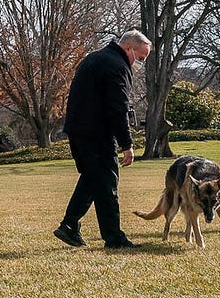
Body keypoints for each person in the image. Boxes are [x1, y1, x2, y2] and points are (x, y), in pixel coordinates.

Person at [54, 30, 151, 249]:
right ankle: (114, 237)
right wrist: (127, 144)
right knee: (107, 181)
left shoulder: (96, 57)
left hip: (79, 130)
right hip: (96, 133)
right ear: (129, 48)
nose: (141, 63)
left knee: (93, 178)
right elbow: (118, 109)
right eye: (141, 57)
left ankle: (69, 225)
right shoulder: (117, 67)